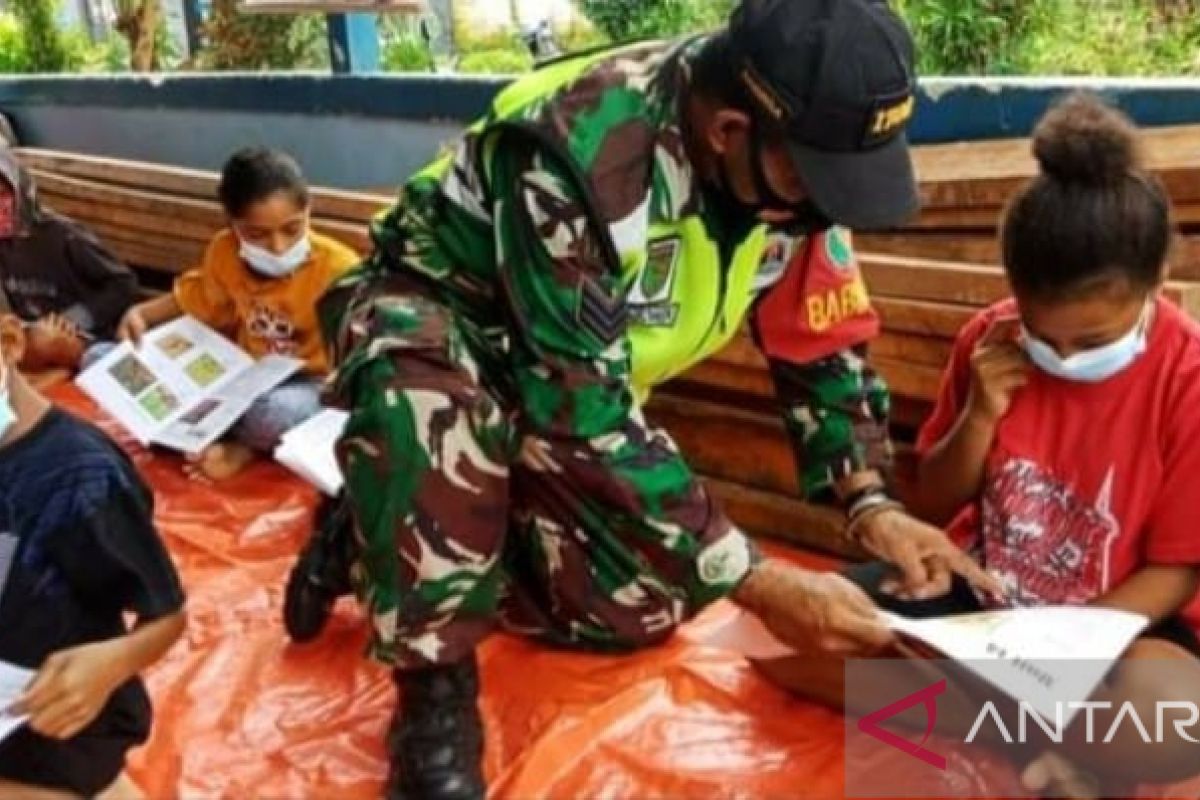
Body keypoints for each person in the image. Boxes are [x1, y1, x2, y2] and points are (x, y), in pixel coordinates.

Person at [308, 1, 999, 798]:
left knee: (640, 604)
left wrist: (872, 503)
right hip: (436, 315)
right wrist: (763, 581)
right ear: (729, 130)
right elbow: (582, 411)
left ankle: (386, 531)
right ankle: (432, 690)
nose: (826, 208)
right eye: (818, 178)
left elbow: (824, 348)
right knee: (437, 418)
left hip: (563, 373)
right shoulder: (577, 154)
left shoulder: (788, 186)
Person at [760, 93, 1200, 796]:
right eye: (1040, 331)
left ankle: (980, 716)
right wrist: (983, 412)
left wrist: (1057, 649)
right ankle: (1034, 741)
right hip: (982, 606)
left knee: (1177, 718)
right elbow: (933, 501)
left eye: (1091, 341)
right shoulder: (990, 342)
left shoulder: (1188, 378)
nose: (1061, 355)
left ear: (1159, 289)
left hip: (1112, 630)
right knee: (800, 627)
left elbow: (1178, 572)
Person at [0, 312, 186, 799]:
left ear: (8, 343)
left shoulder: (82, 478)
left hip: (48, 735)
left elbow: (165, 615)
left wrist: (111, 663)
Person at [115, 147, 358, 481]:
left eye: (292, 229)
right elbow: (198, 298)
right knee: (107, 361)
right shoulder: (224, 252)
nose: (278, 247)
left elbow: (368, 345)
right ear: (232, 226)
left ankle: (237, 446)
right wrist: (141, 313)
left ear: (308, 211)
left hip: (311, 384)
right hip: (246, 373)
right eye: (256, 234)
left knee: (270, 416)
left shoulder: (339, 269)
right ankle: (207, 433)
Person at [0, 145, 139, 385]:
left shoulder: (62, 236)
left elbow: (123, 283)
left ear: (20, 191)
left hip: (90, 339)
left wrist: (75, 320)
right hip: (36, 339)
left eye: (3, 194)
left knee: (44, 344)